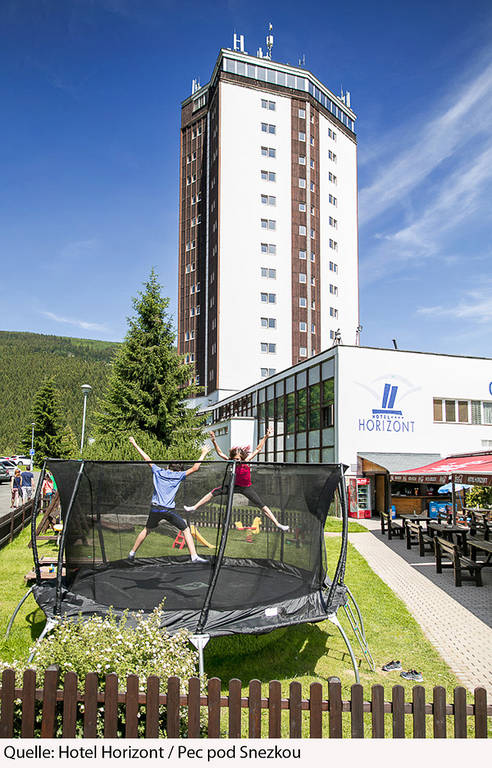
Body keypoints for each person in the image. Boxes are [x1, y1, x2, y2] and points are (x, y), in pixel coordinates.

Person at [184, 428, 289, 531]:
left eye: (237, 459)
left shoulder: (246, 461)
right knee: (213, 492)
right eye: (234, 459)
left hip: (246, 488)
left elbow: (258, 449)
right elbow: (220, 453)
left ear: (242, 458)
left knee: (261, 505)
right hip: (233, 486)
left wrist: (266, 436)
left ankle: (278, 524)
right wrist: (214, 441)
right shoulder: (231, 462)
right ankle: (194, 507)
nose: (236, 461)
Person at [128, 436, 211, 563]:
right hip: (168, 510)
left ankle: (132, 553)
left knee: (147, 529)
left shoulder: (158, 471)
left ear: (168, 466)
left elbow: (147, 458)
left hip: (155, 509)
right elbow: (195, 468)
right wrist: (203, 453)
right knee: (186, 529)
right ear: (179, 469)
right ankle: (194, 556)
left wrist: (135, 444)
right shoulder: (179, 475)